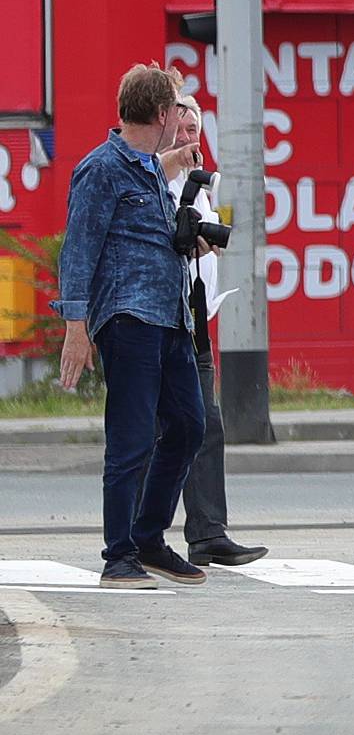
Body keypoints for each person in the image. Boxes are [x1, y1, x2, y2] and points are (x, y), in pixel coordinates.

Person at [56, 61, 212, 587]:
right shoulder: (101, 169)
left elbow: (150, 234)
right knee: (130, 438)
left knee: (190, 424)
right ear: (164, 113)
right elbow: (79, 250)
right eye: (178, 111)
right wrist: (76, 328)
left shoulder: (149, 165)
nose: (183, 120)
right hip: (127, 319)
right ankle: (118, 554)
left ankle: (148, 537)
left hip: (169, 319)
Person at [160, 90, 266, 570]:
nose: (191, 140)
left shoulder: (197, 184)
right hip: (162, 320)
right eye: (183, 130)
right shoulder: (152, 178)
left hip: (196, 317)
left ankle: (208, 533)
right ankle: (139, 536)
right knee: (155, 431)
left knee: (206, 424)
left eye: (196, 130)